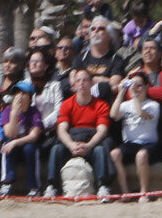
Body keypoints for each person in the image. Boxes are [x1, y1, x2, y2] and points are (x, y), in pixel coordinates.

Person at [44, 69, 113, 198]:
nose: (82, 83)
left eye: (85, 80)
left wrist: (88, 146)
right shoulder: (66, 104)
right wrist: (71, 145)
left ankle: (103, 186)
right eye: (78, 81)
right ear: (74, 85)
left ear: (91, 83)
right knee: (56, 149)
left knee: (100, 150)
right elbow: (61, 130)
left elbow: (102, 131)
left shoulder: (101, 105)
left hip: (91, 142)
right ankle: (52, 186)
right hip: (72, 142)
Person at [109, 71, 160, 201]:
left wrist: (134, 95)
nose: (136, 88)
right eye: (133, 85)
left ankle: (144, 192)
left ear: (147, 87)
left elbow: (141, 113)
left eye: (139, 85)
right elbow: (113, 114)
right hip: (130, 143)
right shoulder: (126, 105)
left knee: (141, 155)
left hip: (148, 143)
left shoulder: (153, 105)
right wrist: (121, 92)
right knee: (114, 154)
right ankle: (126, 192)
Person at [0, 81, 43, 196]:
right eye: (17, 93)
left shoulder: (34, 112)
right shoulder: (8, 110)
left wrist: (16, 142)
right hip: (13, 142)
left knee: (30, 149)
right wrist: (14, 114)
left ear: (30, 99)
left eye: (23, 93)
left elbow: (34, 136)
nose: (19, 96)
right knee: (6, 146)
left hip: (27, 143)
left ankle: (34, 186)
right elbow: (9, 134)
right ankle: (7, 183)